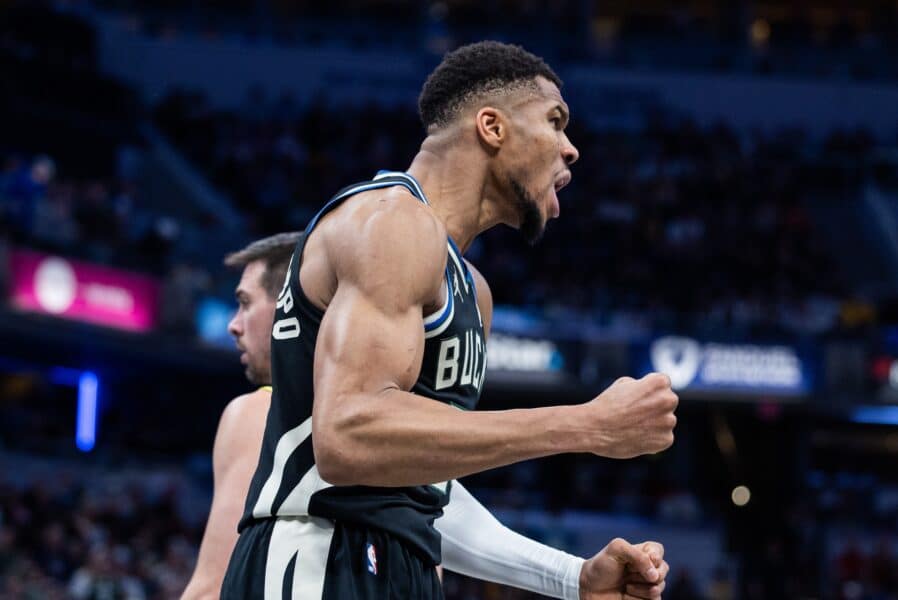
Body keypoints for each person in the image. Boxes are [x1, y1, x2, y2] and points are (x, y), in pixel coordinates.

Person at [222, 41, 678, 600]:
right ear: (491, 126)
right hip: (316, 559)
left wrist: (571, 576)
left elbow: (421, 493)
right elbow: (349, 438)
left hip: (398, 567)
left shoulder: (472, 289)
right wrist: (586, 425)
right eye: (555, 122)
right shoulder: (392, 221)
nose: (571, 149)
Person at [182, 232, 303, 600]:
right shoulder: (385, 425)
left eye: (245, 303)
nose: (233, 324)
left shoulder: (260, 412)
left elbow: (212, 587)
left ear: (287, 307)